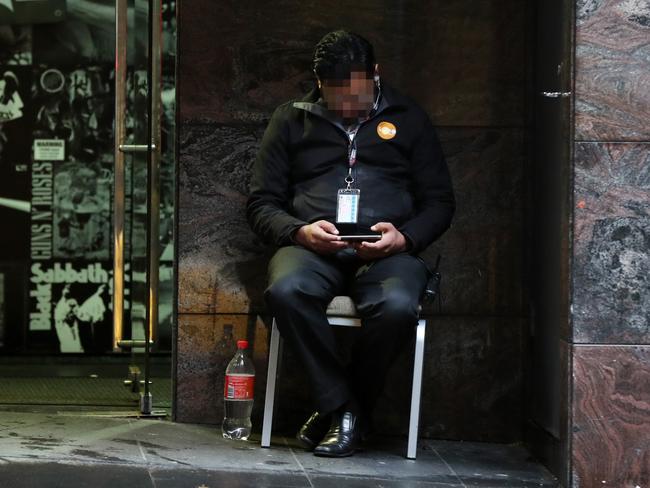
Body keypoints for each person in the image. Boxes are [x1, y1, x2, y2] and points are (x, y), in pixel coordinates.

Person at [246, 30, 455, 457]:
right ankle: (345, 408)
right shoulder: (291, 119)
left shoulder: (409, 118)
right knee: (286, 291)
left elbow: (440, 202)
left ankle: (336, 410)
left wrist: (404, 237)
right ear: (319, 82)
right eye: (336, 95)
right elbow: (261, 203)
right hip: (310, 247)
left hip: (387, 253)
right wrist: (298, 231)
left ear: (375, 74)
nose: (346, 107)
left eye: (356, 95)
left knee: (397, 306)